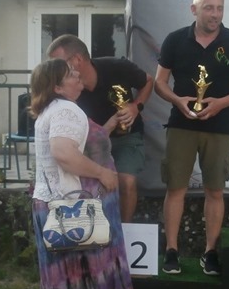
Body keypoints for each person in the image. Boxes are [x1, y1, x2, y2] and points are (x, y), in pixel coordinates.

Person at [29, 58, 139, 289]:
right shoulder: (65, 109)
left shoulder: (52, 110)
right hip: (67, 206)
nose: (78, 77)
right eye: (70, 75)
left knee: (58, 279)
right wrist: (103, 173)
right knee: (72, 278)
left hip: (51, 204)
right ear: (57, 86)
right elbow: (64, 153)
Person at [154, 0, 229, 276]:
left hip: (220, 127)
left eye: (220, 8)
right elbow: (159, 82)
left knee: (215, 190)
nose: (215, 14)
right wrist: (177, 100)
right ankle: (171, 251)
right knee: (176, 188)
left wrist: (221, 103)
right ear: (194, 9)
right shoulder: (175, 40)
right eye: (209, 7)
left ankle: (210, 252)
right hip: (181, 125)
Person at [47, 34, 154, 222]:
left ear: (77, 60)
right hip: (88, 143)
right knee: (88, 183)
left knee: (127, 182)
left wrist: (136, 106)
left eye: (59, 63)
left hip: (125, 138)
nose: (54, 70)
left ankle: (122, 230)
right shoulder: (66, 88)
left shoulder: (117, 67)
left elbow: (148, 81)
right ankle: (94, 229)